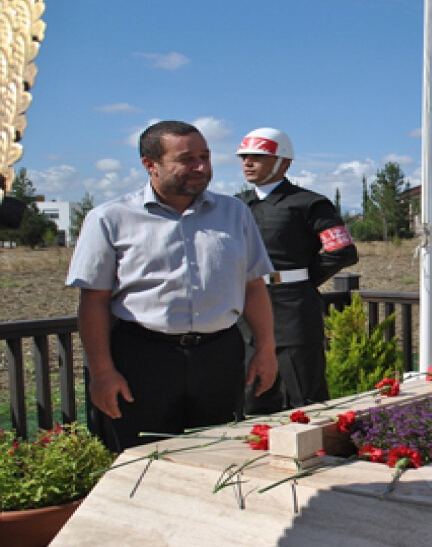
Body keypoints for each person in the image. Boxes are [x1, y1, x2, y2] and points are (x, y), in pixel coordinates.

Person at [66, 120, 278, 452]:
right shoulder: (110, 218)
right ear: (150, 164)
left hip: (219, 357)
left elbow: (253, 287)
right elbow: (94, 301)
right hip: (142, 360)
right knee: (141, 460)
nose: (201, 167)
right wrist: (102, 371)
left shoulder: (234, 213)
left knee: (219, 455)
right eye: (187, 158)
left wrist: (265, 350)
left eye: (205, 157)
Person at [236, 127, 358, 414]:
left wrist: (298, 280)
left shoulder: (310, 204)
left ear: (284, 162)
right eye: (244, 158)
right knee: (250, 394)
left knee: (302, 395)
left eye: (258, 157)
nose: (248, 164)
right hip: (246, 310)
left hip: (292, 312)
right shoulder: (235, 206)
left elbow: (341, 251)